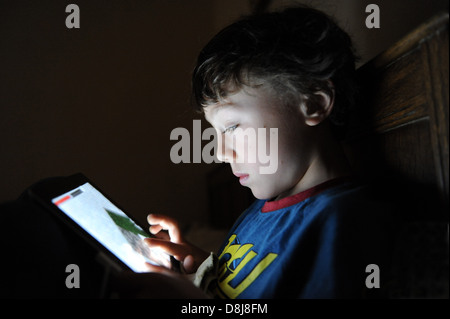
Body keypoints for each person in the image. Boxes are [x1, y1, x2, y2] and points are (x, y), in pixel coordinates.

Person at [137, 5, 396, 299]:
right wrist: (199, 266)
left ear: (313, 104)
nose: (220, 153)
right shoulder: (262, 210)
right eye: (216, 132)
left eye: (232, 126)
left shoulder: (344, 220)